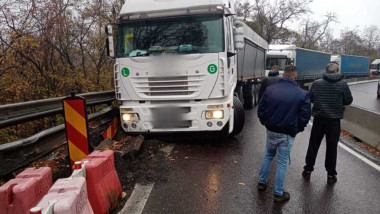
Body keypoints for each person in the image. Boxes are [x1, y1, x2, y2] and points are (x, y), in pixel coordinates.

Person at [257, 65, 311, 202]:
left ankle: (261, 182)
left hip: (271, 130)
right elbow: (305, 116)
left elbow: (261, 109)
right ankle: (278, 193)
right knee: (282, 162)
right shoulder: (301, 94)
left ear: (283, 75)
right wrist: (297, 129)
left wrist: (266, 122)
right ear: (295, 76)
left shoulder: (270, 90)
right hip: (287, 133)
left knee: (268, 155)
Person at [302, 63, 353, 183]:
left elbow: (311, 98)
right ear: (336, 71)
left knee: (313, 145)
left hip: (319, 119)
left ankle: (308, 170)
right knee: (332, 147)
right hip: (334, 121)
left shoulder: (317, 83)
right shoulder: (342, 84)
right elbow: (348, 100)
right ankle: (331, 174)